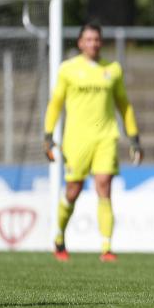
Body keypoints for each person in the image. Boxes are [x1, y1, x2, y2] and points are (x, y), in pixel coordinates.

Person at [43, 22, 143, 262]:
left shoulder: (113, 69)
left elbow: (124, 104)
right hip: (76, 139)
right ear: (80, 43)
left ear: (101, 42)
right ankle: (59, 238)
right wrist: (48, 135)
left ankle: (106, 248)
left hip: (106, 137)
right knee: (73, 190)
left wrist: (134, 137)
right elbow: (56, 103)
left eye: (96, 39)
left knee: (104, 185)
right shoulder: (68, 69)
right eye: (88, 39)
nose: (93, 43)